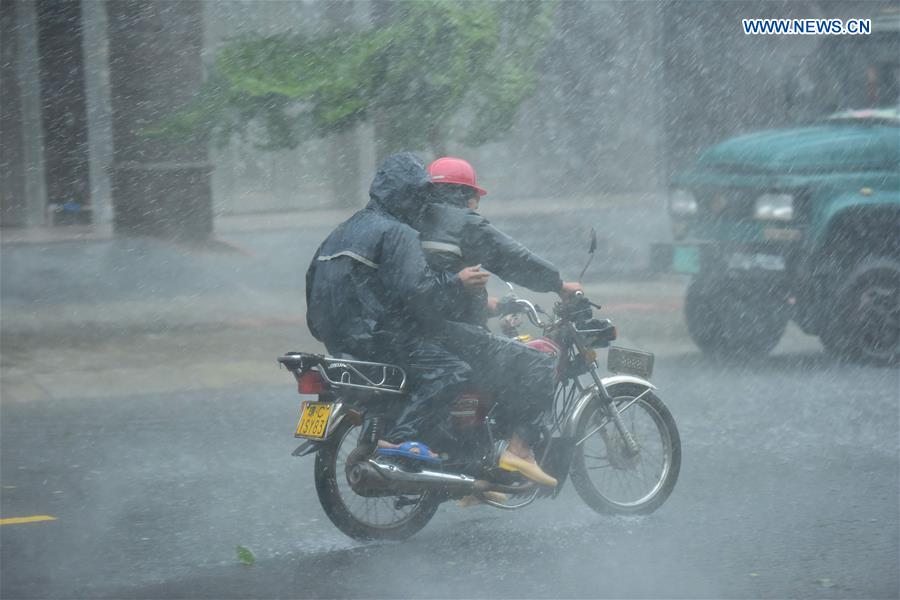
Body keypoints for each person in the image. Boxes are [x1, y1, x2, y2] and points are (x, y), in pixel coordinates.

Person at [384, 157, 582, 487]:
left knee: (483, 385)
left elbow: (440, 288)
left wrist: (498, 305)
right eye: (476, 196)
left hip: (408, 328)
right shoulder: (462, 222)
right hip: (445, 331)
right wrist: (558, 285)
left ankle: (475, 476)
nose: (477, 203)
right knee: (537, 366)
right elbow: (514, 258)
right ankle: (519, 450)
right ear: (466, 195)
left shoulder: (412, 221)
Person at [305, 153, 489, 451]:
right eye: (419, 195)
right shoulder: (397, 232)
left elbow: (312, 279)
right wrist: (458, 282)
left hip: (336, 336)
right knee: (451, 372)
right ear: (407, 195)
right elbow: (418, 289)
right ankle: (400, 441)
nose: (423, 203)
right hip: (376, 336)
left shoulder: (343, 229)